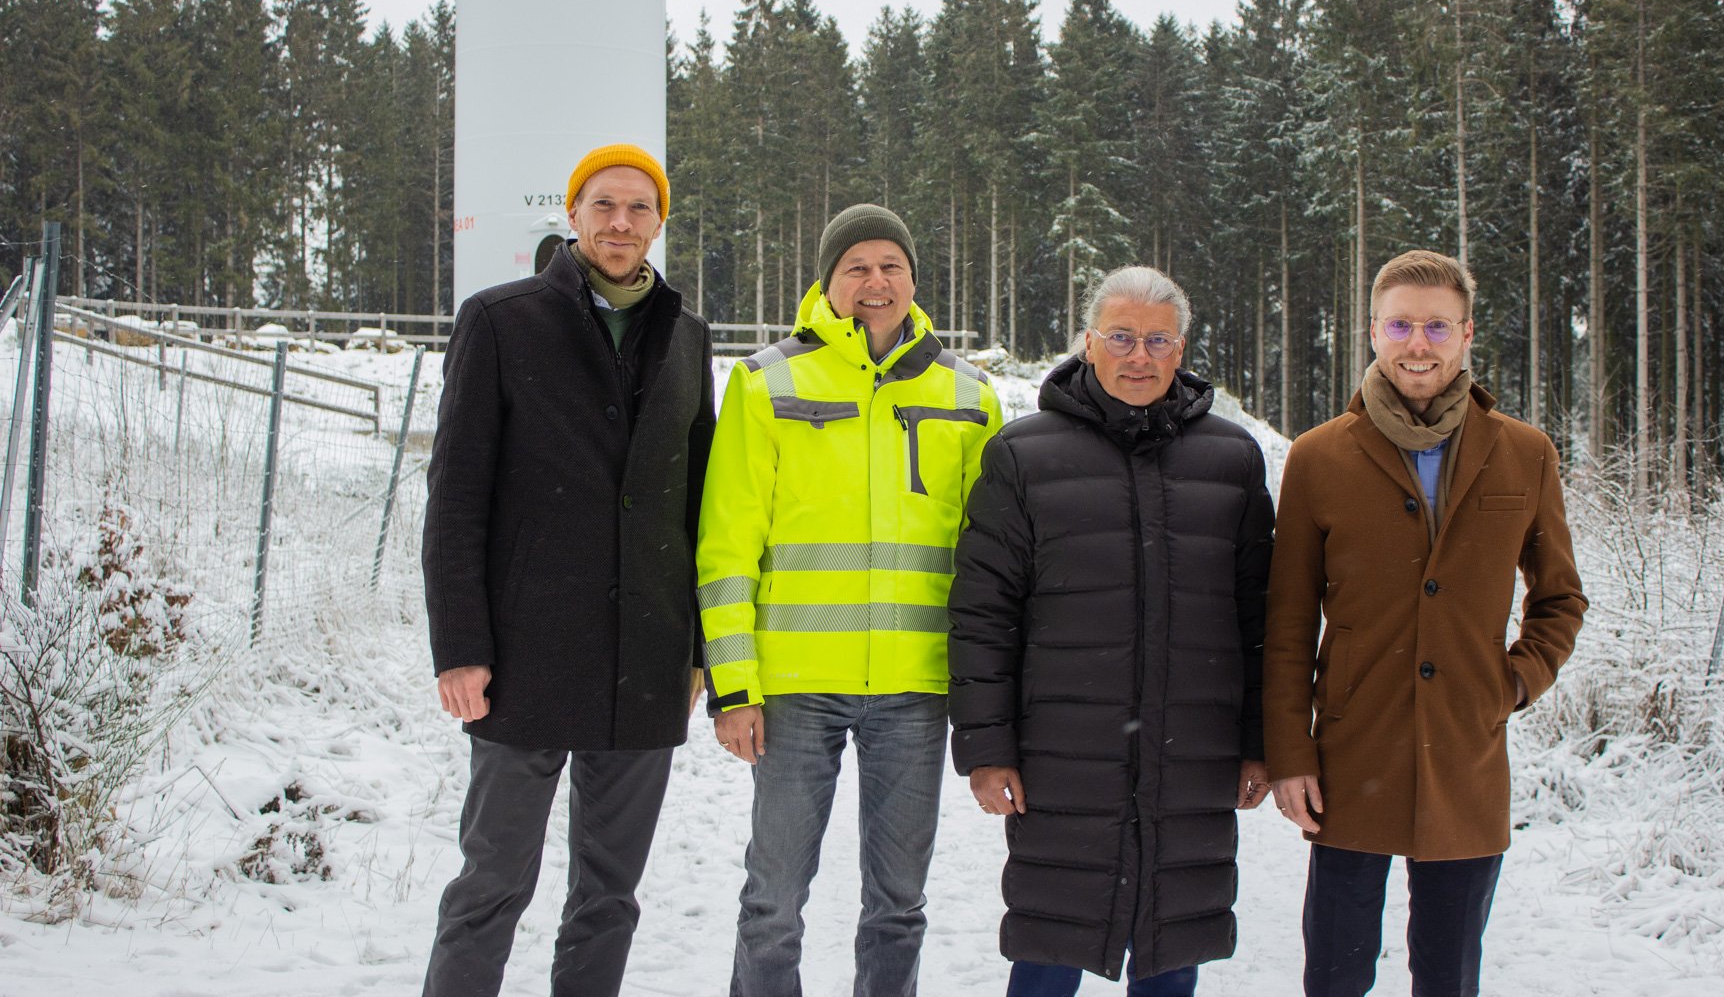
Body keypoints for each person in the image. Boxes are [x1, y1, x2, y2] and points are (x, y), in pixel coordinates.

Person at [419, 144, 715, 997]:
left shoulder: (687, 335)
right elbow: (457, 497)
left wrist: (696, 647)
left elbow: (698, 505)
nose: (621, 223)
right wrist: (460, 646)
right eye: (603, 205)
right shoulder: (501, 320)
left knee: (608, 894)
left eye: (639, 208)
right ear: (574, 214)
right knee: (492, 884)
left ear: (659, 222)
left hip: (646, 656)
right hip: (524, 654)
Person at [697, 203, 1004, 997]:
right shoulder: (768, 381)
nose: (875, 282)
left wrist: (981, 693)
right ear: (827, 281)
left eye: (890, 266)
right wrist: (735, 686)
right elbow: (727, 547)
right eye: (856, 267)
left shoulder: (969, 395)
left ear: (912, 278)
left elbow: (991, 564)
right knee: (773, 902)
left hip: (913, 690)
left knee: (899, 904)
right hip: (796, 689)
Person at [1263, 248, 1586, 997]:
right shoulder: (1319, 458)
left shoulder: (1525, 455)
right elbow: (1285, 621)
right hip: (1350, 755)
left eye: (1436, 327)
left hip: (1467, 761)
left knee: (1449, 975)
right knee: (1336, 973)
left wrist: (1510, 683)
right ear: (1373, 332)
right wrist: (1288, 750)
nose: (1418, 344)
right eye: (1401, 325)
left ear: (1466, 334)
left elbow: (1560, 597)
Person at [948, 265, 1275, 997]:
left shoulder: (1231, 459)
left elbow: (1261, 617)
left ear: (1181, 350)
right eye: (1121, 336)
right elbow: (983, 612)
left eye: (1157, 340)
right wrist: (986, 747)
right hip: (1061, 753)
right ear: (1089, 343)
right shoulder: (1023, 455)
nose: (1139, 355)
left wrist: (1260, 742)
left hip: (1193, 751)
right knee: (1050, 937)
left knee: (1173, 937)